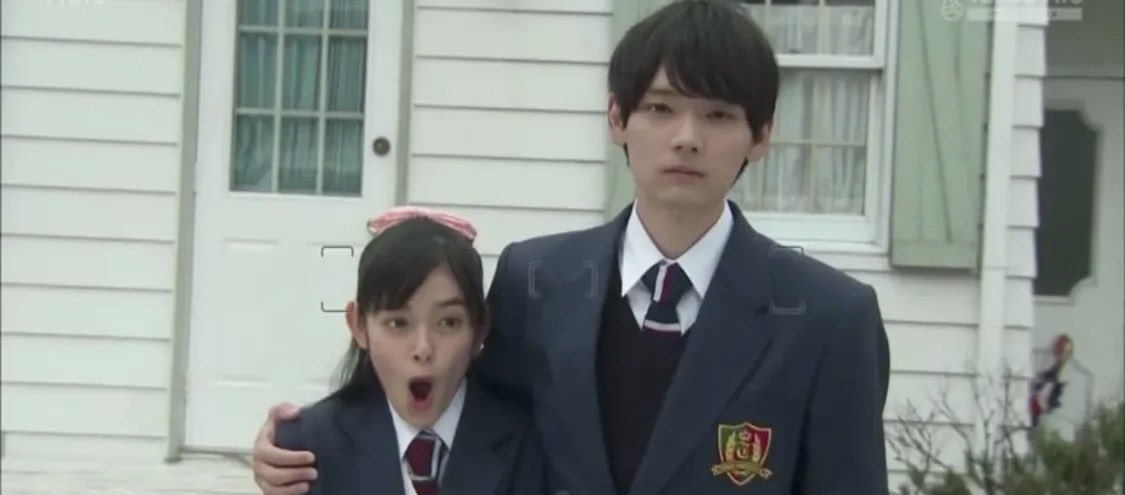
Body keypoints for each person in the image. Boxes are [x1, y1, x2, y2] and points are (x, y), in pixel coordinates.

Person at [253, 1, 891, 493]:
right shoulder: (536, 279)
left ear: (762, 135)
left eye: (719, 115)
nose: (687, 137)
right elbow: (456, 420)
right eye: (660, 109)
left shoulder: (828, 320)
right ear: (617, 118)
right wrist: (305, 449)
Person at [271, 208, 546, 495]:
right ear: (359, 325)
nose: (423, 348)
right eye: (398, 323)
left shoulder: (530, 442)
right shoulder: (307, 448)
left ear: (479, 328)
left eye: (448, 322)